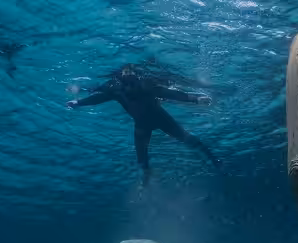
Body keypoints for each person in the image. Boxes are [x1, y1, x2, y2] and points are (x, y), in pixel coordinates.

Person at [66, 64, 221, 183]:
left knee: (189, 140)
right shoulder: (115, 89)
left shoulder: (144, 85)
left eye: (131, 72)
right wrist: (78, 102)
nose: (129, 76)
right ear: (119, 76)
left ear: (136, 75)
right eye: (126, 73)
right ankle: (146, 181)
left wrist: (195, 99)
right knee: (142, 159)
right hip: (143, 126)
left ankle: (213, 160)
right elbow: (98, 98)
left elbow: (168, 93)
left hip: (159, 119)